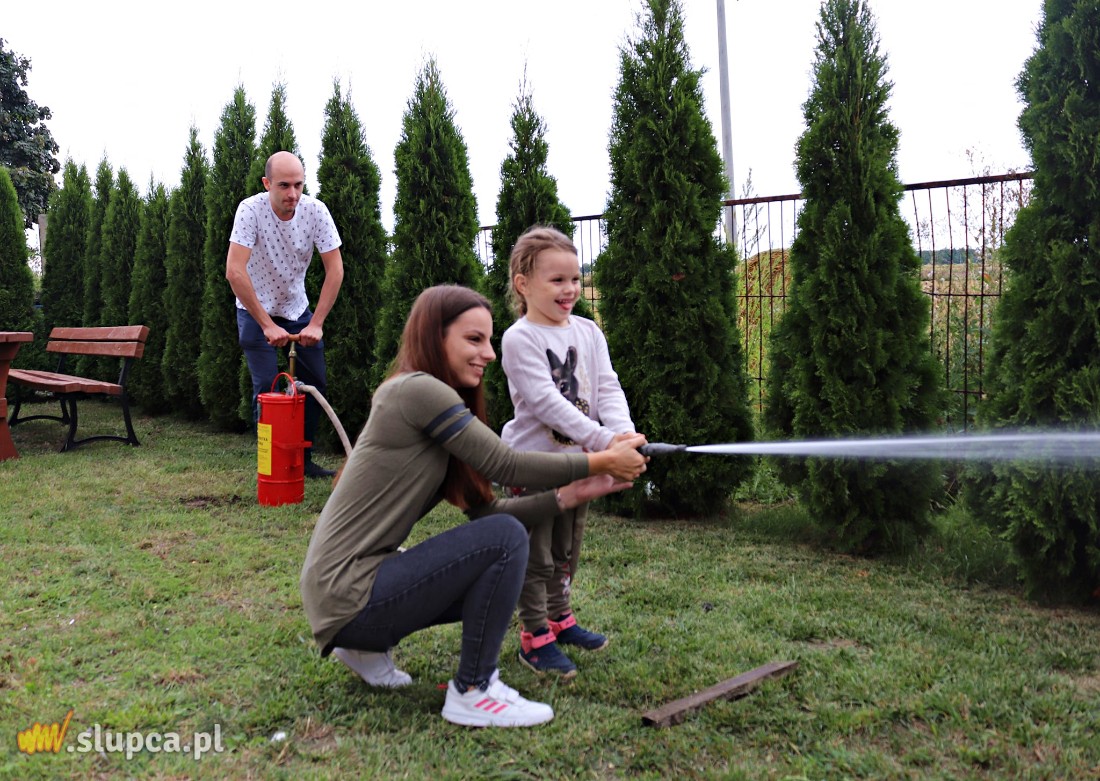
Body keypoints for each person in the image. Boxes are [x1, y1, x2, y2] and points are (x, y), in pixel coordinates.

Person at [299, 285, 648, 728]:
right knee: (505, 540)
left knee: (499, 536)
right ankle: (474, 690)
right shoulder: (416, 391)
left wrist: (578, 492)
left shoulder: (435, 411)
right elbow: (507, 464)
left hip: (343, 596)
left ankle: (364, 649)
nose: (488, 353)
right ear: (433, 336)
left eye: (489, 340)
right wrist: (601, 458)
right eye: (473, 339)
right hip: (348, 592)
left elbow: (485, 513)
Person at [500, 226, 637, 678]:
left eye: (575, 279)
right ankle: (534, 635)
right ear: (523, 284)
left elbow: (606, 387)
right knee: (536, 553)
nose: (570, 289)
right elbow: (546, 404)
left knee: (566, 548)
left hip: (580, 462)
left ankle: (560, 618)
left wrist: (623, 434)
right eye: (557, 280)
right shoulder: (520, 339)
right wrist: (604, 443)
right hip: (535, 465)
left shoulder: (588, 331)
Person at [225, 150, 344, 478]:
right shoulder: (250, 210)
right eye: (283, 186)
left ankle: (301, 462)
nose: (292, 194)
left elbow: (335, 270)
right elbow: (235, 272)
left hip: (296, 309)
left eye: (298, 185)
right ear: (267, 184)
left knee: (314, 383)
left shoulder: (315, 211)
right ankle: (271, 464)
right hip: (254, 310)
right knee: (267, 388)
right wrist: (265, 323)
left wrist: (317, 322)